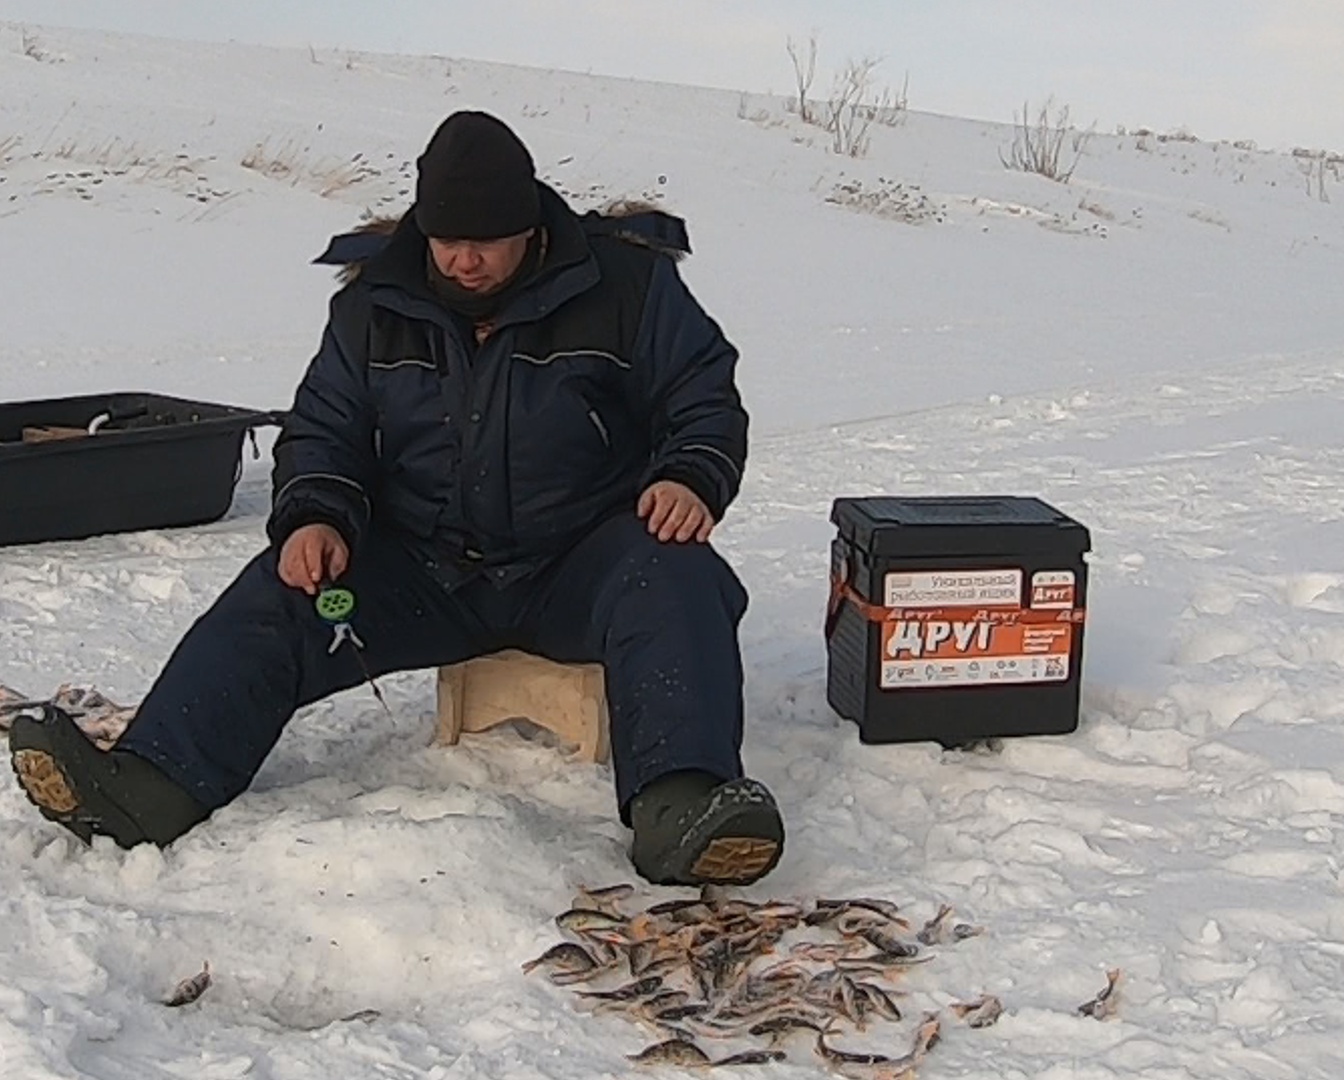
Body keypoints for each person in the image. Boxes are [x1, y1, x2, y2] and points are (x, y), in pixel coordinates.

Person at [7, 110, 785, 886]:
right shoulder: (373, 302)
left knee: (678, 575)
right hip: (424, 568)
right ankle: (151, 785)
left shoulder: (629, 285)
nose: (464, 260)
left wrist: (690, 475)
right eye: (447, 241)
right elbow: (325, 429)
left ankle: (681, 804)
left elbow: (703, 399)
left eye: (485, 242)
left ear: (532, 228)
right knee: (279, 592)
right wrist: (316, 514)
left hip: (581, 562)